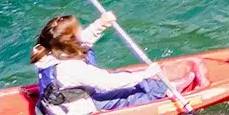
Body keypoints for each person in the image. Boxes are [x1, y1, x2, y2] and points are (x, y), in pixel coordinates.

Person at [31, 13, 207, 115]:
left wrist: (101, 23)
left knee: (126, 77)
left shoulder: (46, 49)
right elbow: (108, 83)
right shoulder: (71, 68)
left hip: (68, 96)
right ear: (68, 42)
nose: (81, 32)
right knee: (131, 95)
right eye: (77, 30)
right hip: (77, 107)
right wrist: (145, 73)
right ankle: (166, 92)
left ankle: (162, 86)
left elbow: (82, 41)